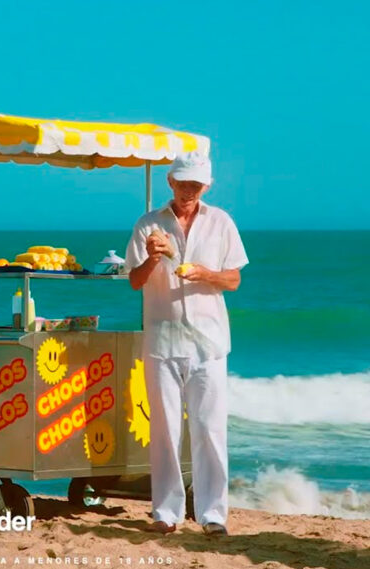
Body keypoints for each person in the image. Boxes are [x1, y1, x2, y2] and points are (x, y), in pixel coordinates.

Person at [124, 150, 247, 537]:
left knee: (210, 429)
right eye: (182, 183)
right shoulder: (149, 225)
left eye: (195, 185)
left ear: (206, 186)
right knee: (164, 430)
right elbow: (135, 280)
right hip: (162, 340)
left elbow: (233, 280)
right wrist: (150, 259)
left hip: (208, 342)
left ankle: (213, 515)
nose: (188, 191)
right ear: (170, 182)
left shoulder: (221, 222)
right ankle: (166, 512)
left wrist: (203, 274)